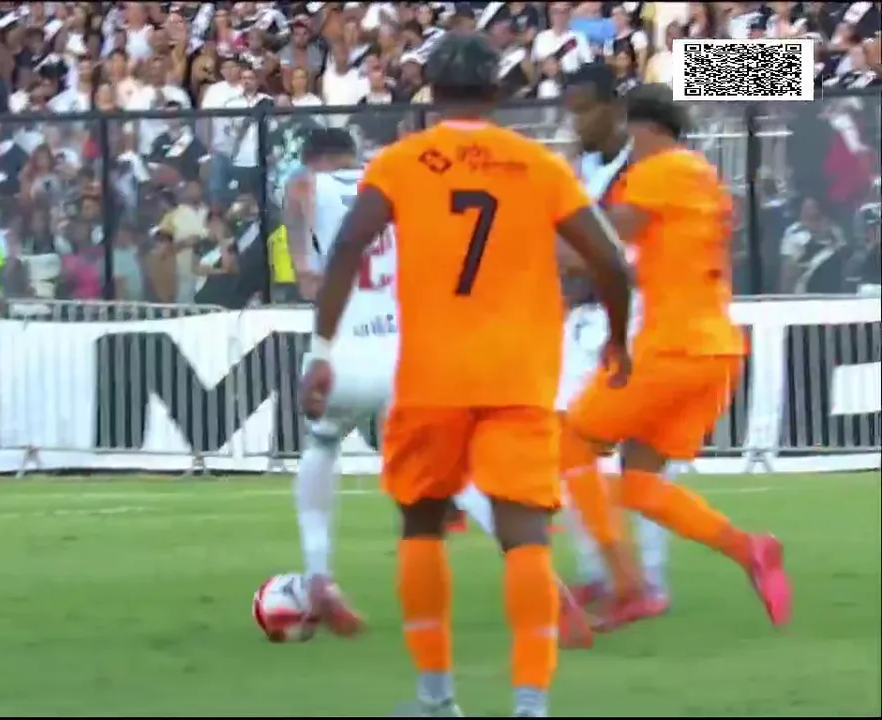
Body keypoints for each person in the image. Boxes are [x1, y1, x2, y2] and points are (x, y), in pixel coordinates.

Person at [300, 32, 634, 718]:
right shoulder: (536, 164)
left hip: (430, 376)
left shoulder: (400, 162)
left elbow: (347, 246)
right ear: (497, 91)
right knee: (525, 538)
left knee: (422, 526)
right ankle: (530, 706)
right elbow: (609, 260)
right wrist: (619, 341)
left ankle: (436, 699)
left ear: (430, 87)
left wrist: (320, 348)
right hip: (517, 377)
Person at [560, 83, 792, 632]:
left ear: (643, 126)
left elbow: (603, 246)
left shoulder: (658, 171)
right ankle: (748, 548)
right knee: (639, 483)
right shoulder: (702, 176)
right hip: (715, 349)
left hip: (673, 345)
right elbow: (650, 258)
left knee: (570, 442)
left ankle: (625, 585)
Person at [459, 62, 678, 618]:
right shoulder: (584, 169)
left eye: (583, 110)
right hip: (589, 321)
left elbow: (610, 252)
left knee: (632, 453)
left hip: (639, 316)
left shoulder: (646, 167)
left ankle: (645, 579)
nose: (575, 122)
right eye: (570, 111)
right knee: (570, 446)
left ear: (614, 108)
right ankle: (607, 575)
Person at [281, 127, 396, 637]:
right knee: (457, 470)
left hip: (346, 349)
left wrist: (303, 261)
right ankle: (538, 575)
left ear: (314, 158)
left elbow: (297, 196)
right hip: (403, 350)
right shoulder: (390, 182)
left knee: (322, 443)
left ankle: (318, 573)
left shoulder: (310, 183)